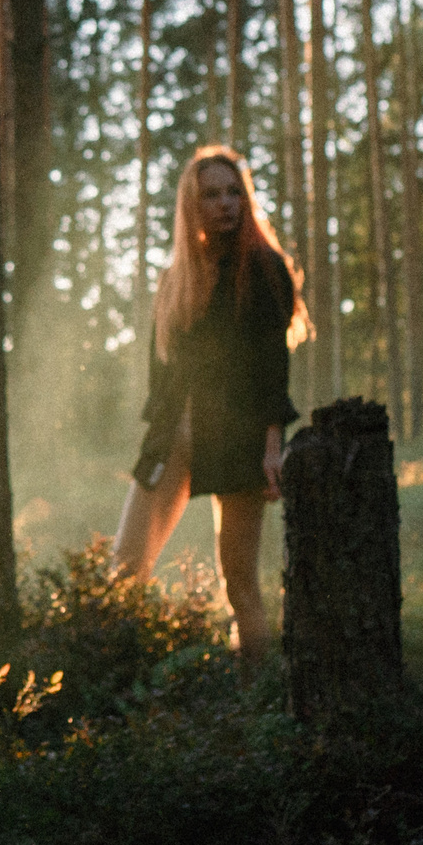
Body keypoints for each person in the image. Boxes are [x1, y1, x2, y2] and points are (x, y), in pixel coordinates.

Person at [112, 145, 312, 658]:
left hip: (240, 439)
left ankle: (255, 696)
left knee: (239, 582)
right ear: (191, 205)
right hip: (175, 436)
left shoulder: (265, 270)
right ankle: (118, 683)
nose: (226, 204)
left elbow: (273, 369)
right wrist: (154, 446)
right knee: (124, 570)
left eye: (234, 193)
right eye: (212, 195)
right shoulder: (175, 279)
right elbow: (162, 377)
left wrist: (273, 448)